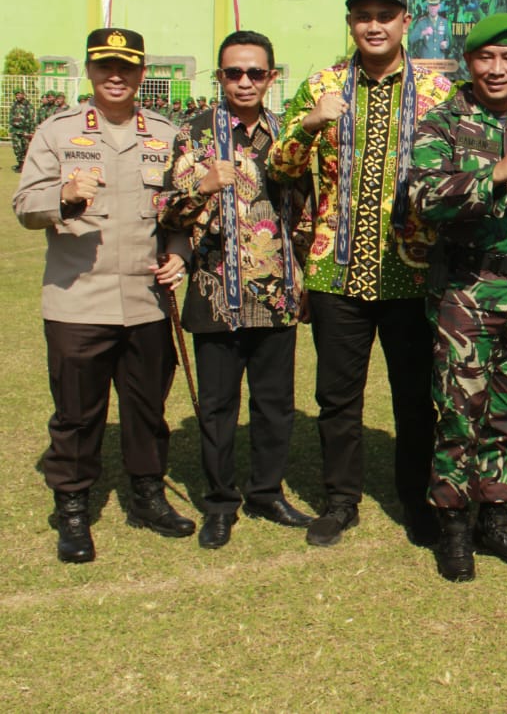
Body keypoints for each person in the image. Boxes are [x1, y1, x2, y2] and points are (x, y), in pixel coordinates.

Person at [269, 0, 452, 548]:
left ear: (405, 22)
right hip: (335, 269)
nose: (374, 24)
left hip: (413, 270)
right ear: (351, 23)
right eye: (363, 15)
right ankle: (340, 500)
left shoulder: (438, 93)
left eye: (385, 14)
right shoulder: (322, 84)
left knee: (414, 398)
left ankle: (415, 502)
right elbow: (279, 166)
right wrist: (309, 124)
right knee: (336, 397)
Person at [13, 28, 193, 563]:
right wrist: (62, 195)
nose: (116, 76)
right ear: (90, 71)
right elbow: (25, 204)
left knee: (146, 410)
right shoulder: (56, 130)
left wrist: (180, 250)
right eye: (105, 66)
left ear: (142, 73)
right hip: (78, 301)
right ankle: (72, 509)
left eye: (127, 67)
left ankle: (147, 496)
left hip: (145, 300)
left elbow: (180, 207)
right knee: (76, 413)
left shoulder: (165, 132)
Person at [408, 13, 507, 583]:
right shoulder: (442, 122)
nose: (496, 70)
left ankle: (495, 520)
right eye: (485, 58)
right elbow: (421, 197)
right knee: (458, 413)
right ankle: (452, 527)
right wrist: (496, 172)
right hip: (466, 292)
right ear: (468, 63)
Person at [159, 30, 316, 549]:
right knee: (219, 405)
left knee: (275, 404)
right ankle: (221, 502)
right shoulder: (196, 133)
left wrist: (306, 279)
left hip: (276, 295)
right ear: (219, 76)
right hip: (216, 293)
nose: (244, 81)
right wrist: (200, 185)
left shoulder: (288, 135)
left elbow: (306, 211)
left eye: (255, 72)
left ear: (271, 76)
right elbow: (167, 213)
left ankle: (266, 491)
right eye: (233, 72)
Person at [9, 89, 34, 171]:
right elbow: (11, 117)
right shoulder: (14, 105)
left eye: (19, 94)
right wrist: (11, 130)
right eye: (16, 95)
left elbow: (31, 119)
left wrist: (30, 132)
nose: (18, 96)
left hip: (25, 131)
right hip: (15, 130)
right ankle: (20, 164)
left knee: (25, 148)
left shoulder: (28, 105)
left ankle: (25, 166)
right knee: (17, 149)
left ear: (23, 95)